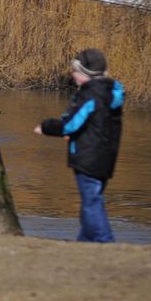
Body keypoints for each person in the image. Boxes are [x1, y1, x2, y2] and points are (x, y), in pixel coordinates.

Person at [34, 48, 125, 243]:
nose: (71, 74)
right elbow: (93, 123)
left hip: (88, 155)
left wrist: (46, 127)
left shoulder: (90, 95)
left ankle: (104, 240)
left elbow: (71, 124)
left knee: (91, 201)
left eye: (74, 70)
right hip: (106, 155)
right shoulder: (109, 93)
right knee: (91, 198)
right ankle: (85, 240)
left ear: (85, 73)